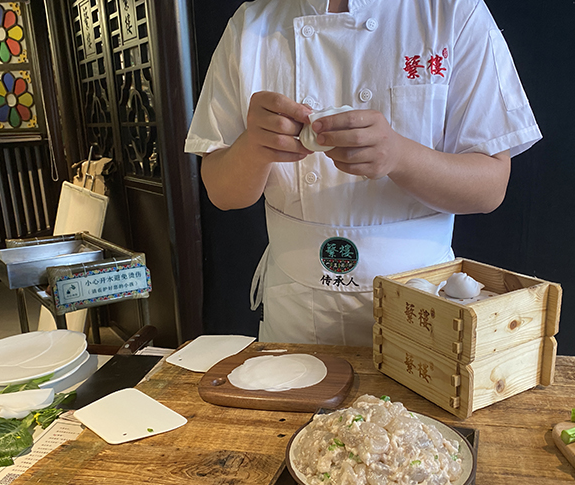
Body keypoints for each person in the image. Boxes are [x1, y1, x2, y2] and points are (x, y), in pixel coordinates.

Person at [185, 0, 541, 346]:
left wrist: (400, 156)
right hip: (295, 305)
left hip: (422, 300)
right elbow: (221, 192)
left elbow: (490, 188)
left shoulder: (452, 12)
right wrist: (252, 148)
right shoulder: (251, 24)